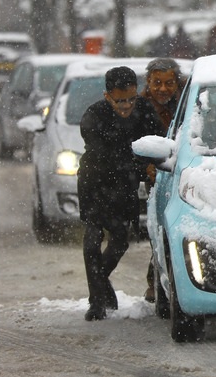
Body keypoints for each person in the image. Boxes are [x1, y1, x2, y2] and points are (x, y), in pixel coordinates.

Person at [78, 66, 163, 321]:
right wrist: (141, 166)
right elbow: (108, 158)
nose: (126, 106)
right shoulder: (93, 117)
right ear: (107, 96)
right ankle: (96, 301)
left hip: (125, 186)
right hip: (95, 183)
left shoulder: (145, 110)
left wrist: (151, 163)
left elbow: (158, 140)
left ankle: (100, 283)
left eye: (131, 99)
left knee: (119, 240)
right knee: (92, 238)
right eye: (120, 100)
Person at [139, 58, 185, 302]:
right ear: (148, 82)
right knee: (158, 228)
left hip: (182, 172)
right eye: (157, 83)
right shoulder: (139, 106)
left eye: (169, 83)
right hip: (157, 175)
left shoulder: (185, 102)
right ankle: (155, 281)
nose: (163, 89)